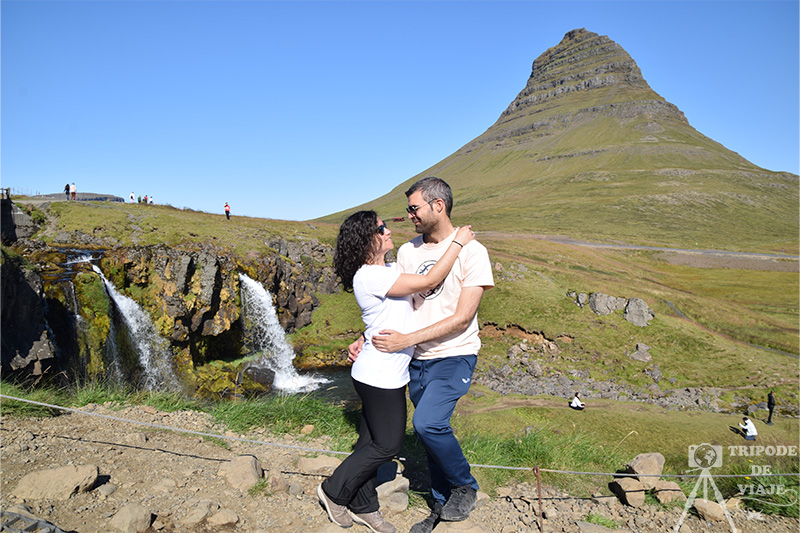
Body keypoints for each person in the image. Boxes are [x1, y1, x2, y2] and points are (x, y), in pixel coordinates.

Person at [317, 210, 474, 533]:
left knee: (369, 442)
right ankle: (333, 490)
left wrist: (361, 336)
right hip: (379, 375)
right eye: (380, 228)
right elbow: (431, 280)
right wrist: (458, 242)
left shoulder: (386, 270)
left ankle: (363, 504)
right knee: (388, 446)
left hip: (385, 370)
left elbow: (386, 317)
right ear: (366, 240)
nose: (388, 230)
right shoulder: (371, 275)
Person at [353, 177, 494, 532]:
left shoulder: (472, 251)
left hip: (454, 355)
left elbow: (462, 317)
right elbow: (394, 303)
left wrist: (406, 340)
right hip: (416, 359)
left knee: (427, 423)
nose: (409, 215)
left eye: (414, 208)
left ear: (438, 206)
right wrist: (363, 338)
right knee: (432, 436)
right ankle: (440, 504)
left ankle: (466, 486)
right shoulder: (408, 252)